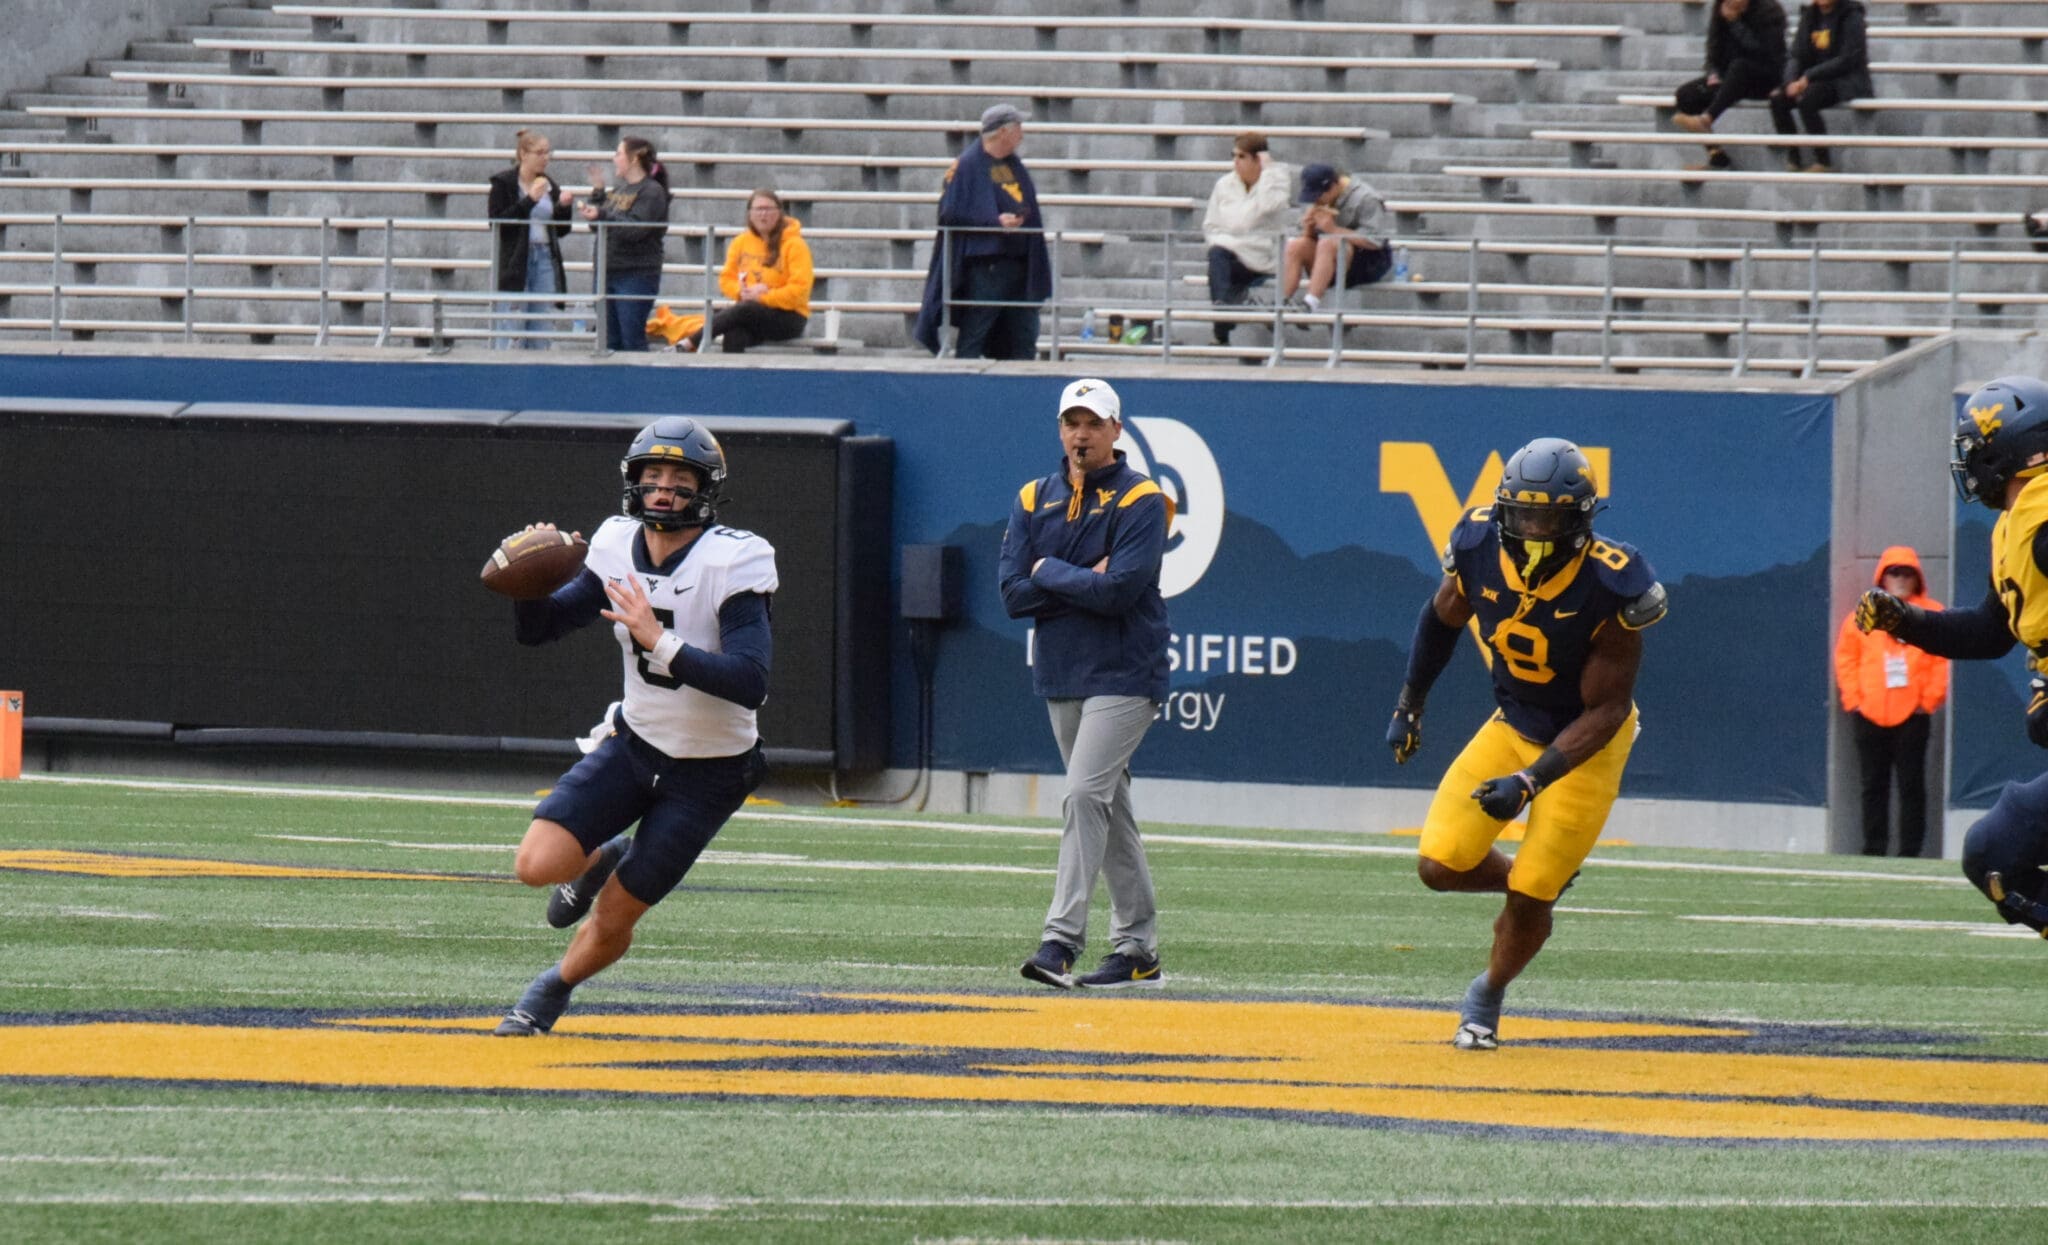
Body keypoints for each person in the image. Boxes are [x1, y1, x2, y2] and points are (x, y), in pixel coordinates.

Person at [492, 416, 775, 1036]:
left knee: (617, 912)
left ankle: (552, 989)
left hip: (712, 771)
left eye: (679, 477)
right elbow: (542, 630)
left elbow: (751, 680)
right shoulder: (615, 542)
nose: (664, 489)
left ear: (706, 487)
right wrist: (528, 587)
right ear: (633, 482)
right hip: (635, 742)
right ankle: (602, 858)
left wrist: (660, 641)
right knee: (535, 865)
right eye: (652, 475)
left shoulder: (737, 558)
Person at [1385, 438, 1668, 1050]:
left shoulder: (1613, 582)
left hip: (1586, 746)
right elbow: (1442, 617)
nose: (1536, 530)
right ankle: (1532, 879)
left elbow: (1608, 707)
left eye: (1551, 518)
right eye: (1525, 515)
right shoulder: (1478, 542)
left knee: (1533, 892)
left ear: (1582, 520)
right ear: (1505, 510)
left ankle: (1485, 995)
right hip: (1512, 724)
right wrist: (1410, 703)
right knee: (1438, 864)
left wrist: (1531, 781)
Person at [1857, 375, 2048, 937]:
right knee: (1995, 852)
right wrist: (1908, 621)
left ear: (2006, 447)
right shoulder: (2019, 523)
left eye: (1976, 449)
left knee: (1997, 851)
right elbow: (1992, 631)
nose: (1970, 463)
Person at [998, 378, 1174, 990]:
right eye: (1072, 422)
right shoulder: (1032, 496)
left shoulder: (1142, 499)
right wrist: (1073, 577)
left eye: (1093, 423)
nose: (1081, 433)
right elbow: (1012, 595)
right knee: (1106, 805)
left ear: (1116, 431)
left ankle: (1060, 942)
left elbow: (1122, 590)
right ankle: (1138, 950)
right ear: (1060, 429)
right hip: (1063, 671)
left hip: (1127, 670)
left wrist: (1046, 570)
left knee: (1081, 797)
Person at [912, 102, 1052, 361]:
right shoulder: (966, 165)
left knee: (1024, 333)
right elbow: (949, 213)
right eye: (1018, 127)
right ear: (1003, 132)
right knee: (976, 329)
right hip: (987, 265)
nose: (1022, 133)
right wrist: (993, 221)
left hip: (1020, 263)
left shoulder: (1013, 164)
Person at [1835, 547, 1948, 857]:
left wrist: (1928, 701)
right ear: (1882, 576)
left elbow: (1941, 659)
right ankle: (1874, 849)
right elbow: (1846, 659)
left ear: (1917, 577)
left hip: (1913, 714)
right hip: (1868, 713)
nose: (1900, 577)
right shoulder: (1863, 614)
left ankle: (1911, 853)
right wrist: (1854, 700)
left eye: (1907, 572)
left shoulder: (1931, 613)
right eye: (1894, 571)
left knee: (1912, 787)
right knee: (1873, 786)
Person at [678, 189, 813, 355]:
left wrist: (764, 296)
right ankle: (732, 379)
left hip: (788, 316)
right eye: (758, 209)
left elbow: (800, 290)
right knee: (734, 333)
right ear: (750, 214)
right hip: (748, 311)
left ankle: (691, 342)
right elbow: (726, 279)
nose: (763, 214)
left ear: (779, 213)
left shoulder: (795, 245)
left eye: (769, 209)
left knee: (743, 310)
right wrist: (741, 292)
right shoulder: (740, 242)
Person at [1671, 0, 1788, 171]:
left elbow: (1766, 53)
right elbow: (1713, 47)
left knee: (1739, 67)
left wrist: (1735, 23)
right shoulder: (1720, 7)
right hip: (1731, 79)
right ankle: (1716, 155)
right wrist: (1712, 73)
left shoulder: (1770, 10)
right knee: (1686, 95)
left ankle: (1706, 119)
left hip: (1765, 77)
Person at [579, 136, 671, 351]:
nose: (614, 159)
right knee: (609, 341)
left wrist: (601, 214)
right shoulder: (620, 190)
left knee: (631, 339)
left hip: (634, 274)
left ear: (634, 158)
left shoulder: (651, 191)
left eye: (618, 153)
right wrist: (598, 193)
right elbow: (599, 225)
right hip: (607, 272)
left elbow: (635, 229)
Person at [1201, 131, 1293, 346]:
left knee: (1219, 265)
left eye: (1241, 157)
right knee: (1217, 255)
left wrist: (1268, 172)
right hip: (1229, 253)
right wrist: (1224, 242)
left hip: (1262, 256)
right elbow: (1211, 225)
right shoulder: (1224, 184)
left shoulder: (1277, 180)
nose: (1236, 162)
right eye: (1234, 156)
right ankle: (1224, 312)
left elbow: (1268, 206)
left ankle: (1221, 328)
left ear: (1258, 158)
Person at [488, 129, 574, 350]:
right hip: (516, 259)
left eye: (548, 153)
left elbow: (562, 230)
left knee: (542, 320)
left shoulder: (549, 184)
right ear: (524, 154)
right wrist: (529, 200)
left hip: (544, 255)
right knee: (512, 323)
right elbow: (497, 223)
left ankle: (539, 366)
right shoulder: (504, 183)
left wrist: (564, 208)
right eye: (540, 153)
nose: (545, 158)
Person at [1769, 0, 1871, 173]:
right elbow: (1796, 54)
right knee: (1778, 98)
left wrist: (1809, 76)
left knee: (1808, 99)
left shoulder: (1852, 15)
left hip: (1845, 79)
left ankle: (1823, 160)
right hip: (1812, 78)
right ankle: (1794, 157)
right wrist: (1790, 81)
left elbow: (1847, 60)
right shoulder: (1810, 15)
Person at [1280, 163, 1391, 313]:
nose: (1316, 200)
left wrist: (1334, 230)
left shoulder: (1366, 198)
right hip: (1327, 260)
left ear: (1333, 186)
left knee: (1328, 243)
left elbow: (1376, 240)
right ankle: (1281, 302)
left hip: (1368, 260)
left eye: (1319, 195)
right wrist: (1308, 229)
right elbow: (1308, 238)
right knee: (1296, 246)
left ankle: (1309, 304)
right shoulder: (1315, 202)